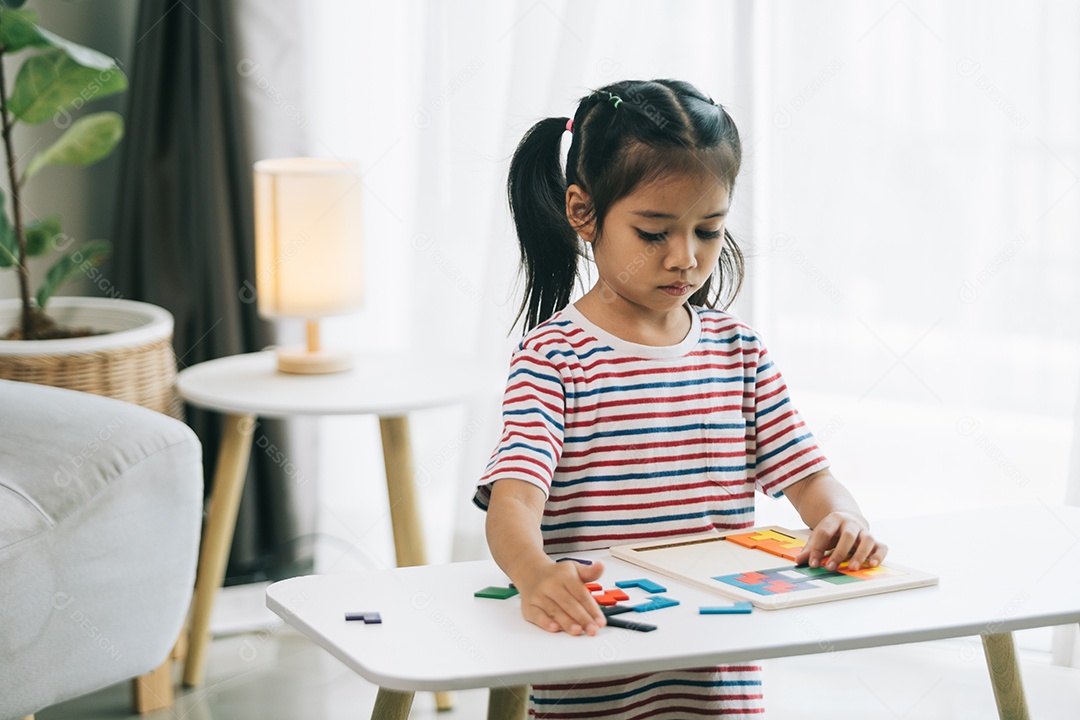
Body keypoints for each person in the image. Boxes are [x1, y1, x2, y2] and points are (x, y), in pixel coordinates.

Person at [473, 79, 887, 718]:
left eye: (709, 230)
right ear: (583, 213)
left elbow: (811, 480)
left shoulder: (738, 351)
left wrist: (843, 520)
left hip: (716, 675)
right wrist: (536, 576)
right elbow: (512, 505)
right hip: (591, 664)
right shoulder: (553, 357)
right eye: (653, 233)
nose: (686, 259)